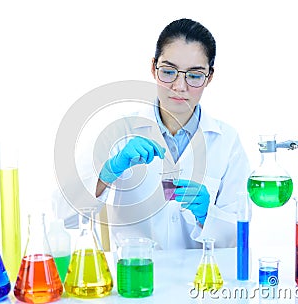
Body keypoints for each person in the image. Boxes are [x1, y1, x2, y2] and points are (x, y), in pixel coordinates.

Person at [57, 18, 251, 250]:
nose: (179, 86)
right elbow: (63, 215)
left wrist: (207, 215)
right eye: (168, 72)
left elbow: (239, 236)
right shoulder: (119, 132)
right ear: (153, 68)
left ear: (209, 77)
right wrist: (106, 174)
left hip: (202, 279)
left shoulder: (227, 141)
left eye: (195, 75)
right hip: (133, 276)